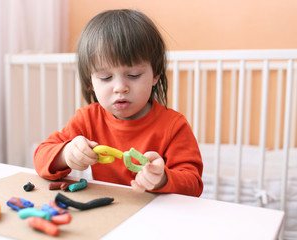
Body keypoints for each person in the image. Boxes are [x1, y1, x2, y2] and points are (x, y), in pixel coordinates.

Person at [34, 9, 203, 196]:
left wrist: (162, 178)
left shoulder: (174, 126)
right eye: (106, 78)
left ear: (155, 75)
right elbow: (41, 156)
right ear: (91, 82)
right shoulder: (87, 119)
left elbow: (193, 185)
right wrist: (65, 155)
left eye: (133, 75)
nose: (120, 88)